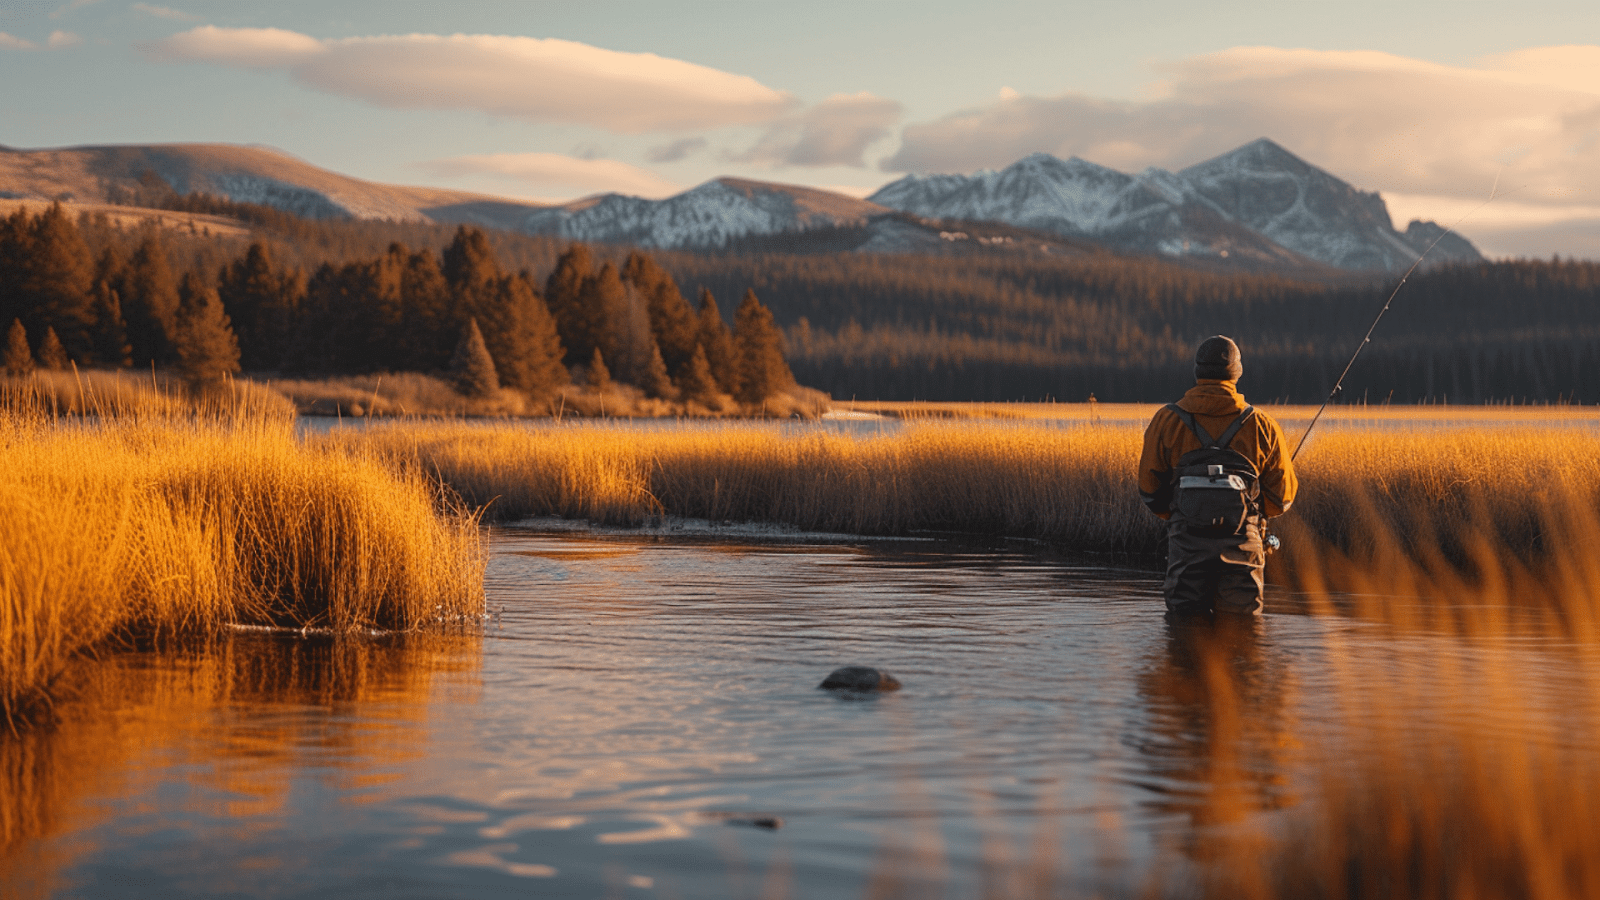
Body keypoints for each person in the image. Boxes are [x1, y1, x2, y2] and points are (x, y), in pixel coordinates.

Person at [1138, 336, 1297, 615]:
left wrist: (1187, 514)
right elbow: (1282, 499)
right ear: (1236, 373)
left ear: (1198, 372)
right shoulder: (1262, 425)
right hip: (1243, 550)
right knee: (1243, 637)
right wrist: (1252, 517)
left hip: (1186, 549)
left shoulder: (1166, 421)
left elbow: (1150, 491)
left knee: (1184, 635)